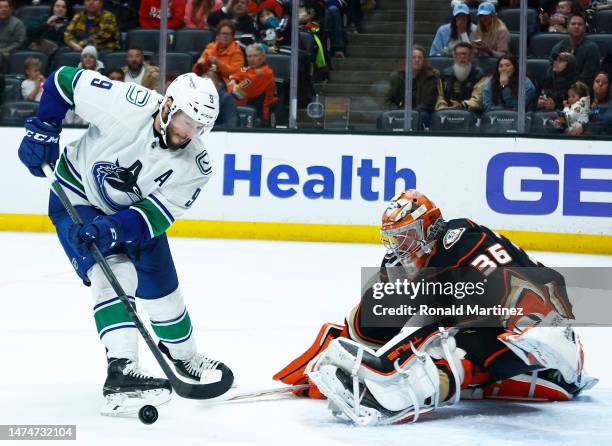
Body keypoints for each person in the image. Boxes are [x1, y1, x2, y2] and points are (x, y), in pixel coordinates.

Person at [273, 190, 597, 425]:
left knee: (452, 341)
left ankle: (401, 393)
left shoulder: (465, 243)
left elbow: (524, 291)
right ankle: (387, 378)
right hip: (484, 340)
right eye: (393, 238)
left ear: (430, 227)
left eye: (406, 236)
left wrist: (539, 328)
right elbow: (374, 322)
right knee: (427, 327)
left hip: (542, 348)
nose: (400, 247)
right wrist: (324, 363)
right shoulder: (404, 262)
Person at [17, 68, 234, 413]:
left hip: (133, 221)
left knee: (166, 295)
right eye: (186, 122)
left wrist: (112, 229)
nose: (189, 134)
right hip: (77, 197)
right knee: (115, 274)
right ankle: (122, 369)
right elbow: (62, 81)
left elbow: (155, 215)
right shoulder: (127, 104)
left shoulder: (198, 165)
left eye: (199, 127)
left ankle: (185, 357)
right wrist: (45, 129)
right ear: (168, 107)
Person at [386, 45, 441, 128]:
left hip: (421, 113)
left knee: (423, 116)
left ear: (424, 61)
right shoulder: (397, 76)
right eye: (413, 57)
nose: (417, 60)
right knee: (382, 117)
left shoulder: (431, 76)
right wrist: (398, 111)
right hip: (401, 112)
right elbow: (388, 100)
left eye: (420, 58)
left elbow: (428, 103)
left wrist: (410, 113)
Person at [227, 43, 277, 124]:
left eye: (255, 56)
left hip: (258, 115)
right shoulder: (250, 69)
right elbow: (238, 73)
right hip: (243, 109)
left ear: (263, 57)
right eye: (249, 56)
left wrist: (231, 83)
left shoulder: (264, 73)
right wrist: (234, 80)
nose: (251, 59)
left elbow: (236, 93)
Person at [549, 13, 600, 85]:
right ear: (567, 27)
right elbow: (550, 72)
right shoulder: (558, 47)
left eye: (580, 24)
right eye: (573, 24)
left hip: (580, 90)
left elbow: (588, 77)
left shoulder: (592, 49)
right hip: (558, 88)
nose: (576, 26)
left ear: (585, 28)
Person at [435, 42, 486, 113]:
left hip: (471, 112)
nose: (462, 57)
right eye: (459, 54)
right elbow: (440, 95)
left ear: (471, 56)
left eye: (465, 54)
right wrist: (441, 104)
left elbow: (477, 99)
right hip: (446, 111)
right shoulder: (445, 74)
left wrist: (461, 105)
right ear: (454, 56)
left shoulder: (479, 74)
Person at [193, 20, 245, 84]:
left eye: (228, 34)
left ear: (232, 37)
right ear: (218, 35)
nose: (225, 36)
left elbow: (236, 73)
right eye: (223, 33)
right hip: (205, 78)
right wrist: (199, 65)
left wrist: (218, 64)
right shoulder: (210, 48)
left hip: (224, 82)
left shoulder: (237, 52)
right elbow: (196, 71)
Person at [567, 71, 612, 135]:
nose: (600, 84)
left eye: (604, 82)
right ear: (593, 83)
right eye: (597, 81)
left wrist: (585, 127)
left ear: (609, 87)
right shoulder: (582, 100)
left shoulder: (609, 106)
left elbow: (607, 124)